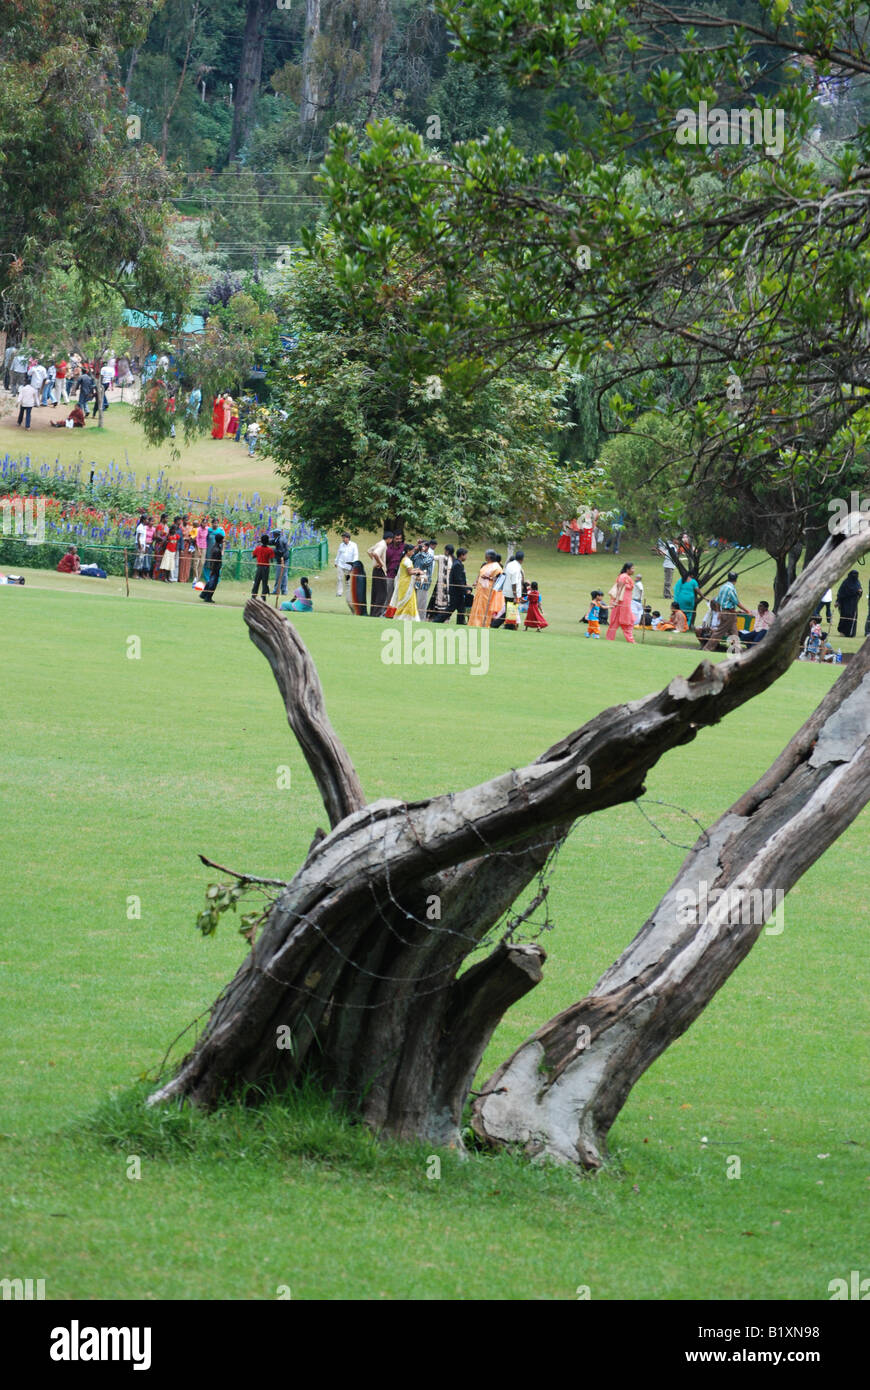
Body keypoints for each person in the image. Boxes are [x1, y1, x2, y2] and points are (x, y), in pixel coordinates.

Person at [705, 570, 752, 650]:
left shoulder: (723, 587)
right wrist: (748, 611)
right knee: (719, 632)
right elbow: (737, 602)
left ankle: (737, 650)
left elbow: (717, 600)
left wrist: (720, 612)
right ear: (736, 580)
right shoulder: (731, 589)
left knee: (734, 632)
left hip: (727, 612)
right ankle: (707, 648)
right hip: (729, 613)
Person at [468, 551, 503, 627]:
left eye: (486, 555)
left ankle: (483, 624)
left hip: (488, 593)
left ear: (489, 557)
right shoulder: (486, 565)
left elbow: (500, 579)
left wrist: (488, 578)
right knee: (477, 607)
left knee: (485, 609)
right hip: (480, 591)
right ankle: (474, 623)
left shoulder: (496, 567)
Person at [389, 543, 421, 619]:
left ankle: (406, 617)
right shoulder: (407, 561)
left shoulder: (405, 559)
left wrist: (416, 570)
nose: (413, 553)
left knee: (407, 601)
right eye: (412, 551)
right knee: (405, 601)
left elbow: (408, 571)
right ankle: (402, 617)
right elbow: (410, 572)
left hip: (405, 583)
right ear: (408, 551)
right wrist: (419, 572)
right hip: (406, 584)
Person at [606, 562, 636, 642]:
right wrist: (615, 601)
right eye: (632, 568)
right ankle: (629, 640)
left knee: (625, 621)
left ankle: (611, 638)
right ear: (627, 569)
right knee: (625, 621)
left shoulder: (626, 577)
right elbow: (619, 589)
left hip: (624, 603)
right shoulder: (623, 577)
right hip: (621, 604)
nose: (634, 570)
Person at [367, 531, 392, 618]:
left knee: (376, 592)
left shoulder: (379, 543)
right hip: (380, 570)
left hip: (375, 570)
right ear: (389, 539)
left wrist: (374, 561)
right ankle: (377, 614)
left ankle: (373, 613)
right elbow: (375, 553)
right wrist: (380, 563)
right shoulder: (383, 545)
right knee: (382, 593)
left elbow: (369, 551)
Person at [835, 570, 863, 637]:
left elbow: (859, 591)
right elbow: (840, 593)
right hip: (845, 604)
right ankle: (842, 632)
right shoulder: (845, 583)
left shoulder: (857, 582)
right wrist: (837, 601)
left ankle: (851, 633)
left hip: (853, 605)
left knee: (852, 618)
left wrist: (860, 591)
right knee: (844, 617)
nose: (854, 577)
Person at [449, 548, 472, 624]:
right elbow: (458, 580)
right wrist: (466, 590)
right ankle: (437, 620)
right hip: (456, 592)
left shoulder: (458, 563)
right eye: (465, 555)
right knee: (450, 609)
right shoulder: (457, 565)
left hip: (459, 592)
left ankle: (461, 623)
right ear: (462, 555)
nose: (466, 557)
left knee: (461, 609)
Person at [414, 539, 435, 619]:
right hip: (415, 581)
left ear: (427, 547)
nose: (421, 547)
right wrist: (416, 550)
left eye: (423, 546)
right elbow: (411, 559)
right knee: (414, 602)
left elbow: (424, 563)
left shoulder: (430, 556)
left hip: (424, 583)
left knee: (421, 603)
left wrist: (421, 552)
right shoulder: (417, 555)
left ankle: (421, 619)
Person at [200, 534, 224, 602]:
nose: (223, 540)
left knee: (210, 581)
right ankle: (208, 597)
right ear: (220, 540)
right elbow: (214, 561)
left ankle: (203, 594)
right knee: (213, 583)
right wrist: (213, 570)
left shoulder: (215, 547)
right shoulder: (217, 550)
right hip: (215, 569)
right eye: (222, 539)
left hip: (215, 568)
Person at [334, 531, 358, 598]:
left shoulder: (354, 545)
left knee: (348, 580)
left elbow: (355, 555)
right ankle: (339, 593)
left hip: (349, 566)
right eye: (342, 538)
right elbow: (338, 554)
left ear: (348, 538)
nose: (343, 539)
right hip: (341, 564)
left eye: (344, 538)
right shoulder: (341, 545)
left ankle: (349, 593)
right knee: (339, 578)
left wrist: (354, 564)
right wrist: (336, 562)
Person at [271, 527, 289, 597]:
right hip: (285, 559)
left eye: (273, 534)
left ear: (276, 534)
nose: (272, 535)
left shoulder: (280, 541)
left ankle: (276, 591)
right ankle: (284, 591)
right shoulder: (279, 539)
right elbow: (272, 541)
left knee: (279, 576)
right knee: (284, 576)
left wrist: (272, 550)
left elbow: (280, 551)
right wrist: (264, 541)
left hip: (282, 560)